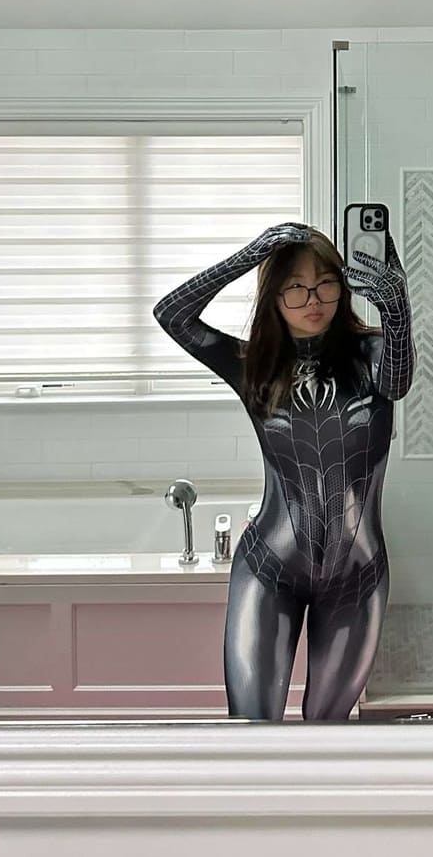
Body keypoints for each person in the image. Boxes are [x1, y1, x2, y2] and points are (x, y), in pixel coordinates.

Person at [152, 221, 415, 721]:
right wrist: (248, 256)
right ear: (273, 295)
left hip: (356, 577)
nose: (313, 300)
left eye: (325, 284)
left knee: (327, 733)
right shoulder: (251, 363)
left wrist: (395, 302)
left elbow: (399, 383)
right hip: (269, 569)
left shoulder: (374, 353)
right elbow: (171, 314)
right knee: (253, 731)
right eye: (295, 287)